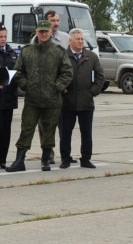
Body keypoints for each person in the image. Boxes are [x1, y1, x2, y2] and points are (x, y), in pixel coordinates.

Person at [9, 17, 74, 172]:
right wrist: (26, 85)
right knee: (26, 129)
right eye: (41, 31)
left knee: (49, 130)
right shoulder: (27, 51)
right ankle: (19, 160)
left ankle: (45, 160)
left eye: (46, 31)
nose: (44, 34)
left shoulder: (58, 52)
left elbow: (67, 73)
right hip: (32, 100)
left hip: (52, 100)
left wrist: (56, 87)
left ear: (50, 32)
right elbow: (18, 72)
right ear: (36, 32)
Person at [61, 29, 101, 168]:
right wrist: (62, 89)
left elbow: (100, 76)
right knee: (65, 133)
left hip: (86, 102)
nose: (80, 41)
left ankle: (86, 158)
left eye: (82, 39)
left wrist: (93, 92)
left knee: (86, 133)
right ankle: (65, 159)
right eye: (77, 39)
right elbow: (56, 75)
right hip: (67, 102)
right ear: (70, 41)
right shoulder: (63, 56)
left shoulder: (91, 57)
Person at [0, 23, 18, 171]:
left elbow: (17, 70)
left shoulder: (12, 52)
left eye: (5, 37)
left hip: (9, 97)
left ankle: (2, 159)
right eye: (0, 37)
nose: (3, 39)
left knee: (6, 130)